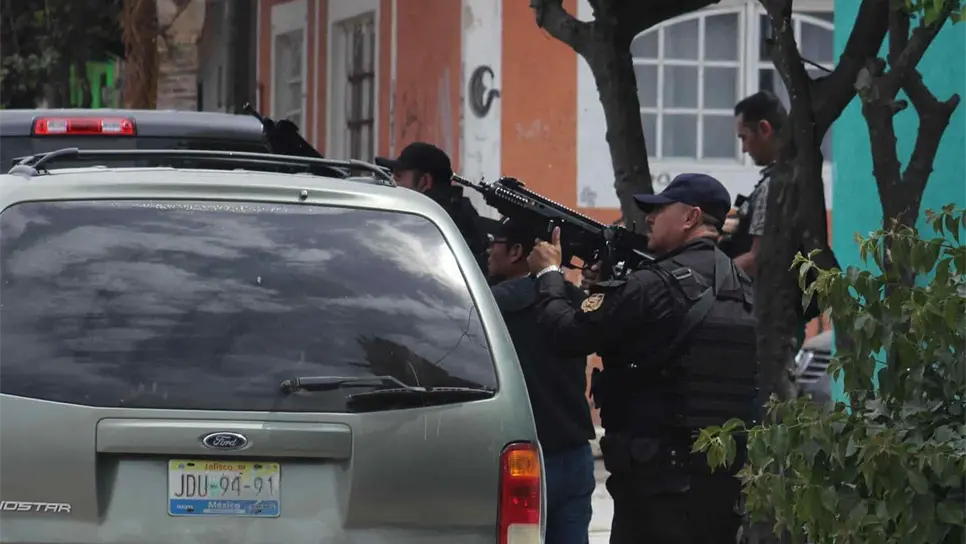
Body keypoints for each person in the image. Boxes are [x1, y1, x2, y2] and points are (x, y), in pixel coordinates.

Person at [527, 173, 759, 544]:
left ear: (690, 217)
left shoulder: (653, 285)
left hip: (656, 489)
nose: (649, 218)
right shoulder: (741, 287)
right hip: (721, 485)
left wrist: (549, 274)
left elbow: (567, 334)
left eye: (660, 209)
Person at [487, 217, 597, 544]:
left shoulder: (491, 304)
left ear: (517, 251)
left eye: (494, 243)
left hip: (520, 456)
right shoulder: (576, 300)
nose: (488, 251)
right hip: (574, 451)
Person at [376, 142, 491, 272]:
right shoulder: (449, 215)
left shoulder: (431, 224)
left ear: (424, 182)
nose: (393, 184)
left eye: (398, 177)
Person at [724, 90, 785, 277]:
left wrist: (709, 278)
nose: (743, 149)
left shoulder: (774, 186)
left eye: (744, 137)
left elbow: (757, 259)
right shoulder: (785, 177)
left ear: (764, 129)